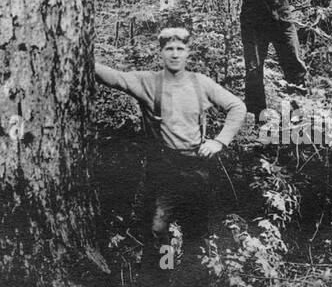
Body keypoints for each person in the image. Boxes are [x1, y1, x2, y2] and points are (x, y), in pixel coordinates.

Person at [95, 28, 246, 259]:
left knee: (197, 233)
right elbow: (114, 77)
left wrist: (219, 141)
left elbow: (237, 107)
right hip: (164, 170)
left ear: (188, 53)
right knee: (157, 229)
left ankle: (192, 284)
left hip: (196, 169)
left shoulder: (201, 83)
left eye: (180, 49)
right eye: (169, 49)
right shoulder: (148, 82)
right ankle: (163, 277)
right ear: (161, 53)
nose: (175, 54)